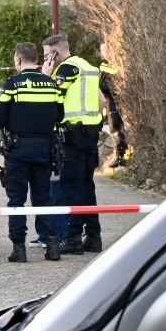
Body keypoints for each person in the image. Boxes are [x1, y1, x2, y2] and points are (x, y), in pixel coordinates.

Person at [0, 42, 64, 262]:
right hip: (44, 149)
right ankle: (52, 246)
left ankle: (19, 249)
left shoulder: (11, 86)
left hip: (18, 150)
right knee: (44, 199)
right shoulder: (51, 85)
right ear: (37, 60)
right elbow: (59, 115)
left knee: (16, 200)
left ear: (18, 60)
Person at [43, 34, 105, 254]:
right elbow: (102, 101)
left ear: (56, 53)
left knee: (73, 186)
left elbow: (53, 95)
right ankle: (94, 236)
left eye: (47, 55)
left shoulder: (67, 69)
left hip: (73, 135)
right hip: (90, 132)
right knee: (87, 185)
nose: (45, 60)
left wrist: (47, 76)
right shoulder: (87, 66)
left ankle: (73, 238)